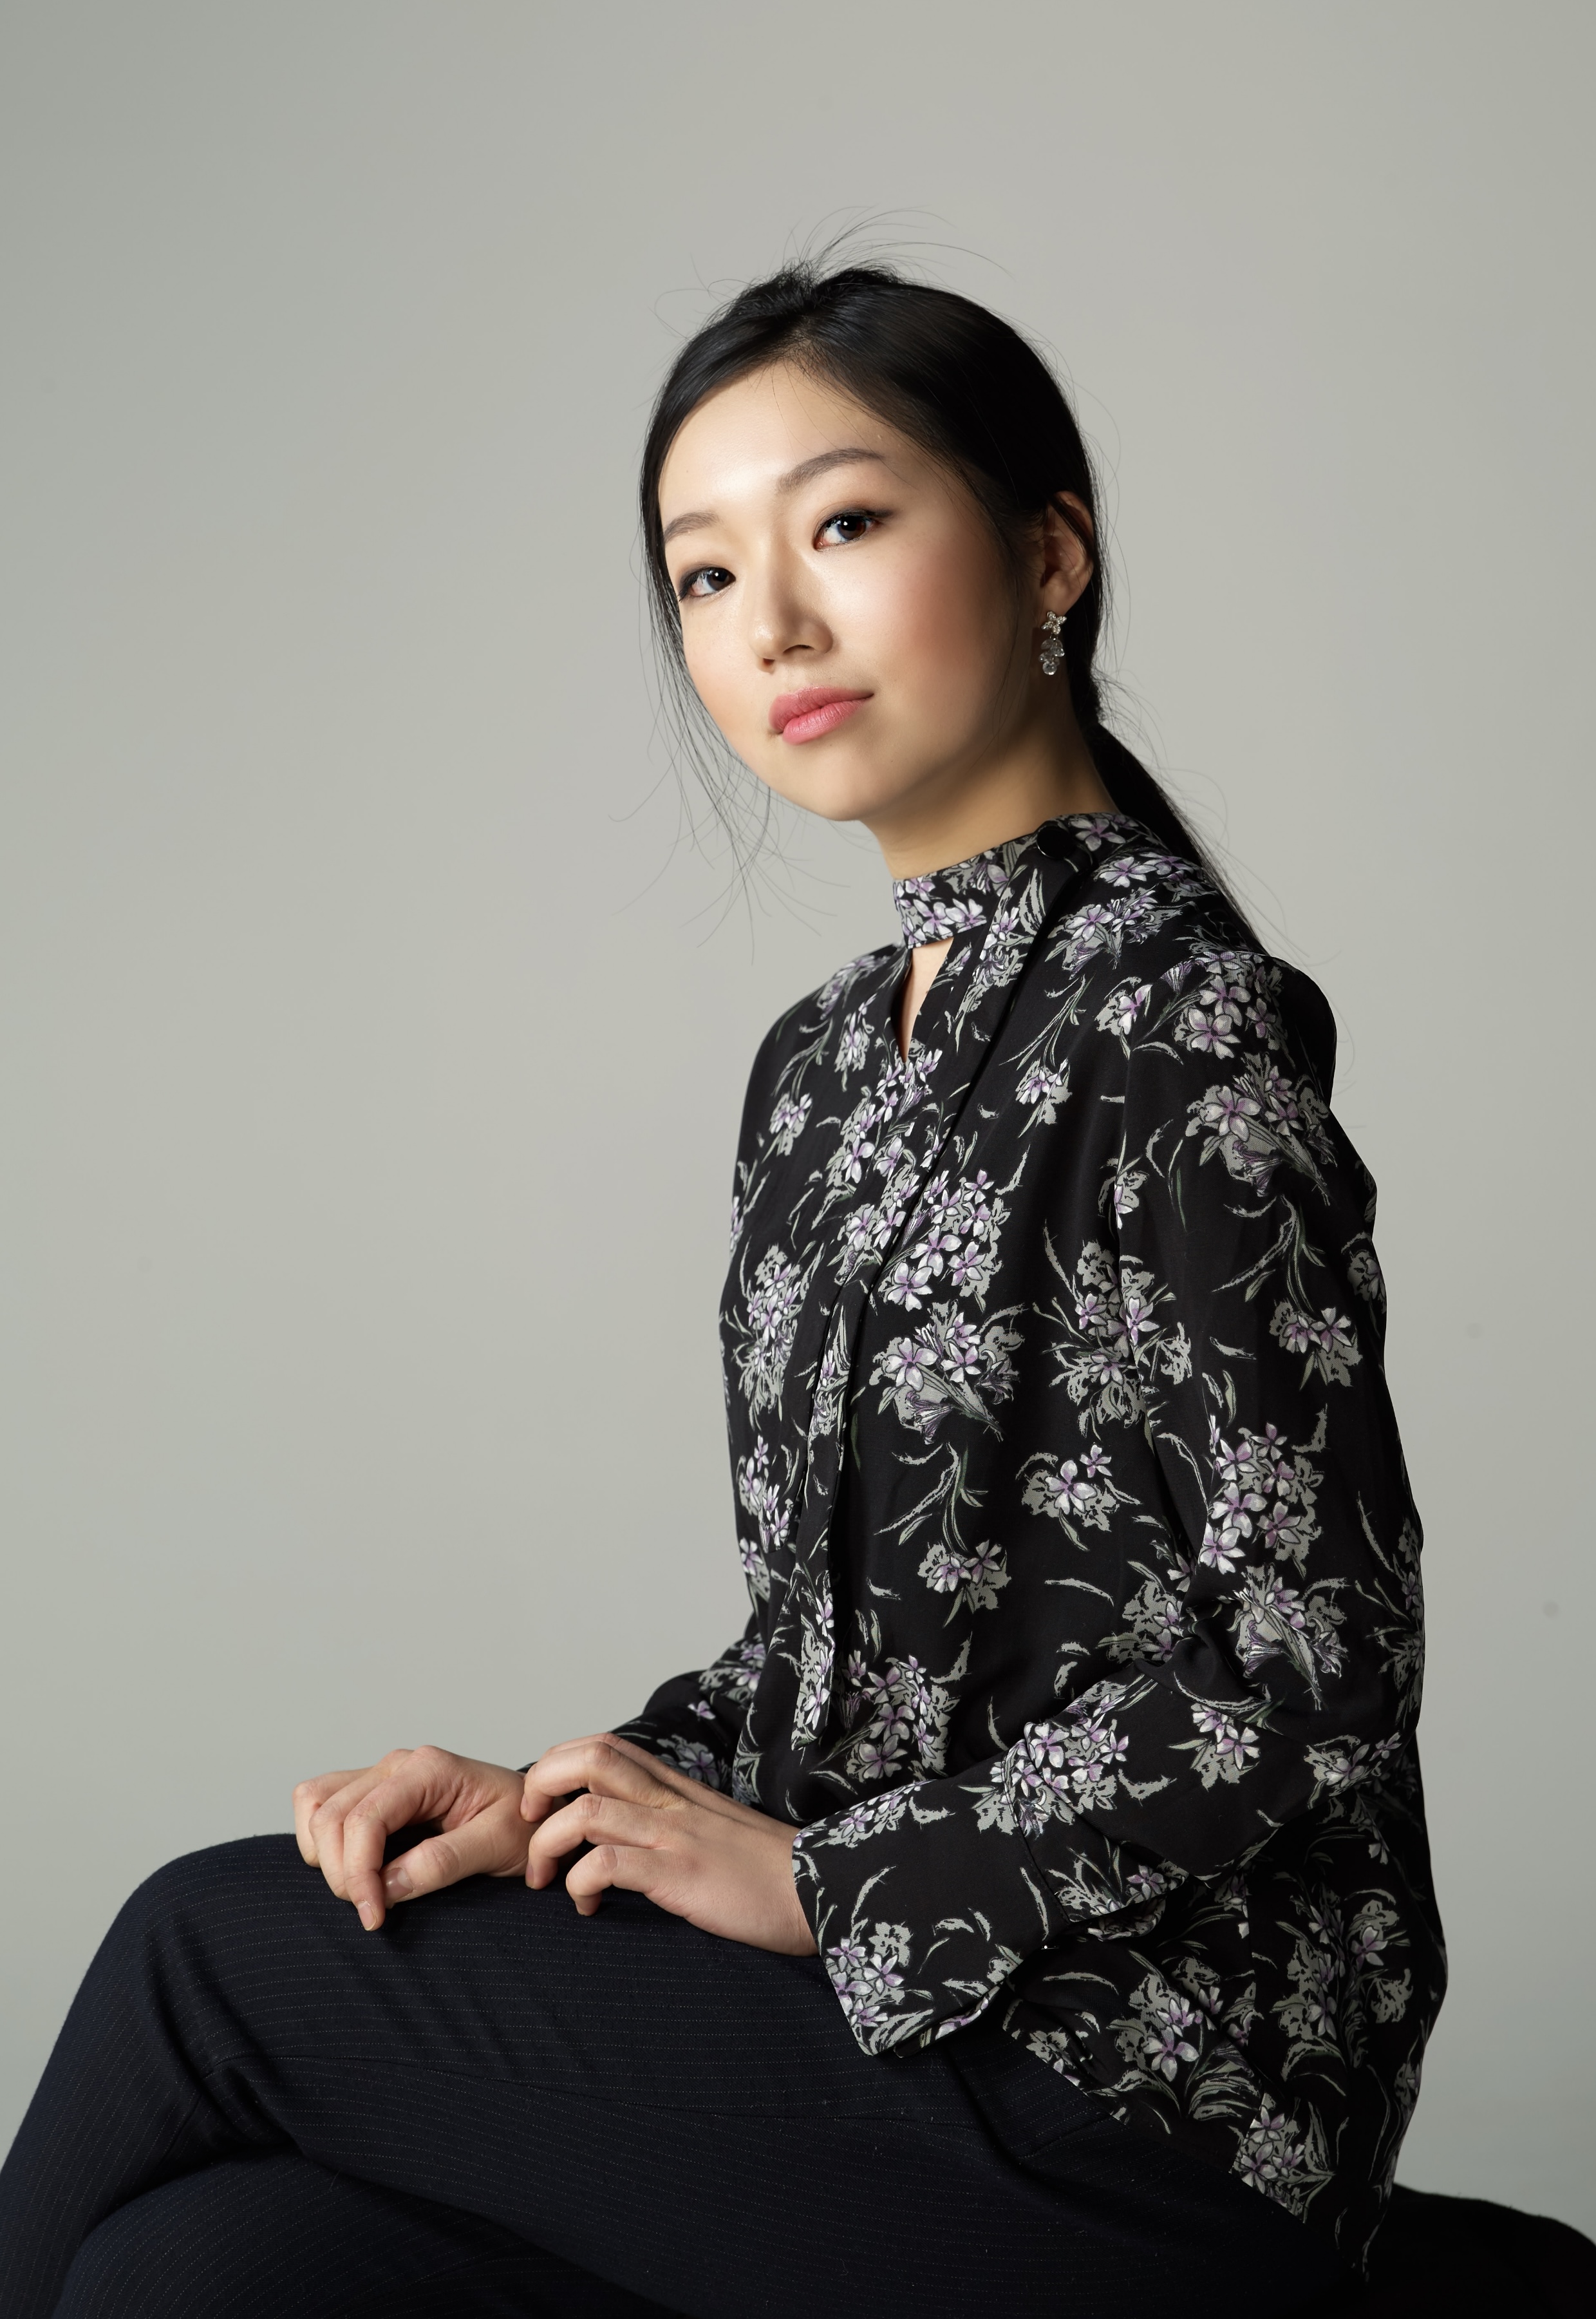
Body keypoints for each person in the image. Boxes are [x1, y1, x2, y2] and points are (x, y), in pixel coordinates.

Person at [0, 261, 1442, 2319]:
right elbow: (839, 1653)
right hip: (869, 2041)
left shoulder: (1181, 1023)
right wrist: (553, 1803)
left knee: (202, 1946)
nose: (769, 622)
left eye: (841, 524)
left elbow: (1312, 1665)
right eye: (702, 572)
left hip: (1144, 2090)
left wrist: (831, 1879)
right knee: (200, 2268)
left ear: (1049, 553)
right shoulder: (825, 1065)